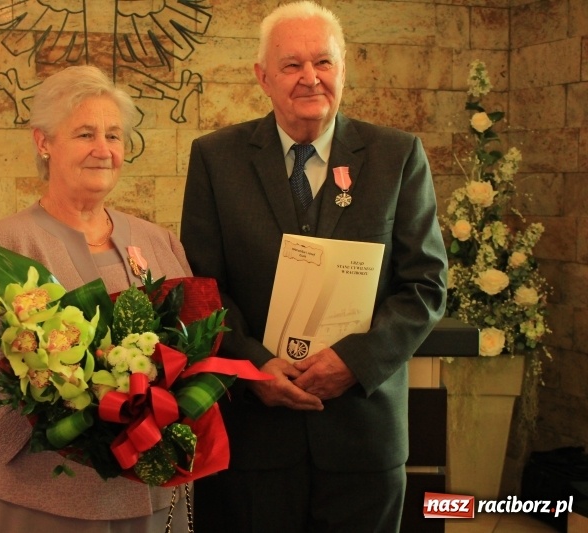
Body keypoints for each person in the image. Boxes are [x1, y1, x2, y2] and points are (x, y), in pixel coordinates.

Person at [180, 2, 448, 532]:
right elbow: (201, 289)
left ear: (343, 69)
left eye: (323, 63)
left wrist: (354, 361)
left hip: (362, 440)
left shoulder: (398, 156)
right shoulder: (217, 158)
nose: (310, 78)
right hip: (252, 439)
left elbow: (425, 285)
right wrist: (254, 365)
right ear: (262, 77)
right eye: (291, 65)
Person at [0, 65, 191, 533]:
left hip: (149, 490)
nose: (104, 150)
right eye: (84, 134)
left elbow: (189, 353)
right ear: (43, 143)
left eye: (114, 136)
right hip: (44, 496)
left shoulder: (159, 242)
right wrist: (84, 429)